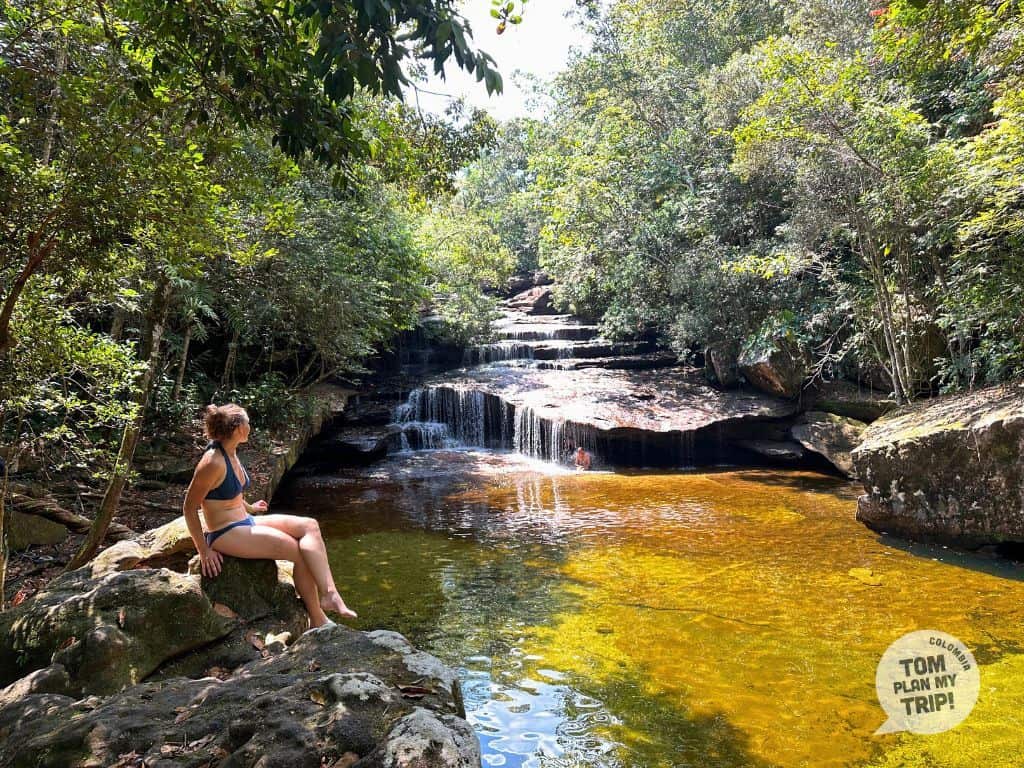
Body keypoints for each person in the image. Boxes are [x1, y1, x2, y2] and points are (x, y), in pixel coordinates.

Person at [182, 403, 356, 629]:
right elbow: (189, 507)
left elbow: (225, 492)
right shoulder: (212, 462)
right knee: (301, 553)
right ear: (238, 429)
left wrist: (249, 507)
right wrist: (204, 550)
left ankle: (330, 593)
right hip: (225, 532)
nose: (250, 426)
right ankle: (317, 617)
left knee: (309, 525)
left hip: (244, 520)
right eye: (247, 422)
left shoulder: (230, 450)